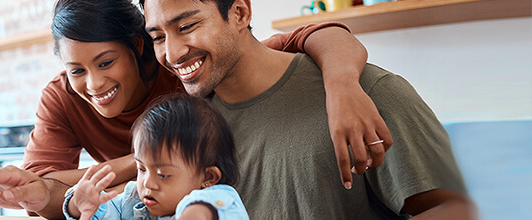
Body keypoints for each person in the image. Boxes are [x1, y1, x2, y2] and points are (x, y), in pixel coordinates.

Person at [0, 0, 393, 218]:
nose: (93, 83)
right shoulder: (63, 96)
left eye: (106, 62)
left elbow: (312, 37)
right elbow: (51, 191)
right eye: (76, 70)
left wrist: (342, 86)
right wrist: (33, 193)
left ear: (138, 47)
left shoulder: (190, 70)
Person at [139, 0, 474, 219]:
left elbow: (454, 209)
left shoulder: (364, 93)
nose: (172, 52)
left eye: (186, 26)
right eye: (157, 37)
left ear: (239, 13)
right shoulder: (193, 128)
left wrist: (343, 84)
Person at [64, 94, 247, 220]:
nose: (147, 183)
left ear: (207, 177)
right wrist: (78, 204)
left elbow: (203, 210)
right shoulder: (135, 198)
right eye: (142, 169)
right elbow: (105, 211)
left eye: (163, 174)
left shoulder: (217, 198)